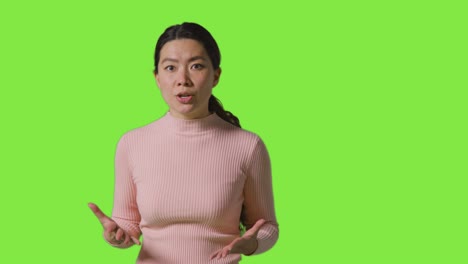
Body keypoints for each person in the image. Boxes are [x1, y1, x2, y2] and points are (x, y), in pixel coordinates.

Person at [88, 22, 279, 264]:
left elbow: (266, 226)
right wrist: (117, 235)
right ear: (157, 77)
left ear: (216, 75)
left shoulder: (248, 146)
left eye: (196, 66)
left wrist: (252, 243)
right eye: (170, 67)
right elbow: (128, 224)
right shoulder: (132, 143)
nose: (183, 79)